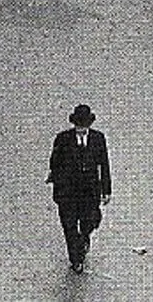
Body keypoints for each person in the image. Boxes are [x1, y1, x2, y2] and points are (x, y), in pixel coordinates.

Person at [48, 103, 112, 275]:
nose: (81, 130)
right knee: (69, 225)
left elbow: (104, 165)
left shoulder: (98, 139)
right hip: (67, 192)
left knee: (88, 222)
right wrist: (58, 183)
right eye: (78, 126)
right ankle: (75, 259)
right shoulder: (62, 139)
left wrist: (106, 190)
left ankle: (84, 239)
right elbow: (54, 163)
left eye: (84, 126)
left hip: (89, 192)